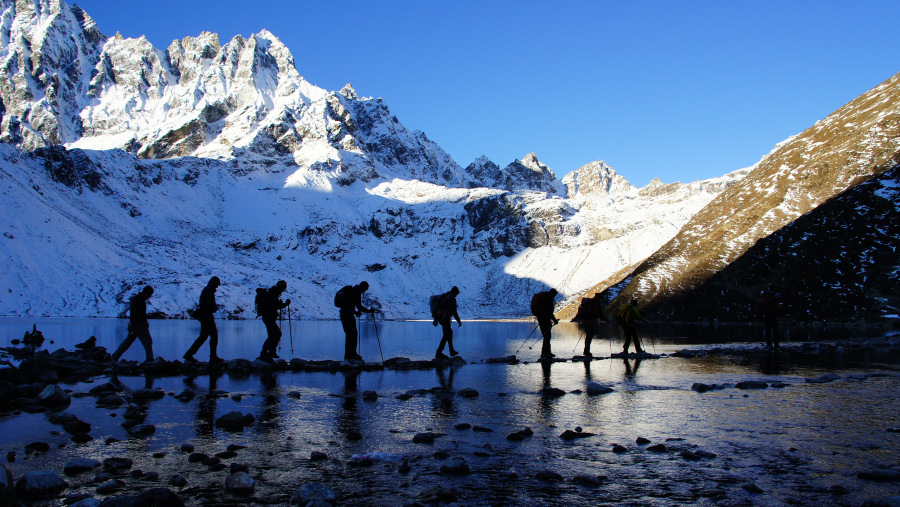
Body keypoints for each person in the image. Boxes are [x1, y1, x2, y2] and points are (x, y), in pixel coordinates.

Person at [184, 276, 222, 363]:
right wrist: (214, 308)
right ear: (214, 283)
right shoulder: (209, 291)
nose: (217, 287)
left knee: (204, 336)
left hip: (204, 316)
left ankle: (189, 354)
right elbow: (207, 305)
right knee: (213, 336)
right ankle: (212, 357)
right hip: (207, 316)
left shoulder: (207, 290)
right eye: (216, 285)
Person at [112, 285, 155, 363]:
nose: (149, 297)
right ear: (145, 293)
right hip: (139, 325)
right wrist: (143, 322)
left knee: (128, 341)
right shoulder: (139, 300)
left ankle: (115, 356)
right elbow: (138, 314)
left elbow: (135, 314)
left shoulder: (137, 299)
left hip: (134, 325)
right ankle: (149, 359)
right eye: (149, 295)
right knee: (148, 341)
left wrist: (132, 325)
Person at [336, 281, 375, 362]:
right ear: (363, 288)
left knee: (349, 335)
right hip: (348, 315)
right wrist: (369, 311)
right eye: (365, 289)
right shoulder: (357, 292)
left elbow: (350, 305)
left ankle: (348, 355)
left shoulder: (352, 290)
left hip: (344, 314)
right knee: (353, 334)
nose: (364, 291)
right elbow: (359, 306)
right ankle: (352, 355)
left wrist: (356, 312)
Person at [259, 280, 291, 361]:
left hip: (268, 317)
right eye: (283, 288)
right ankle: (267, 353)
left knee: (273, 335)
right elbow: (274, 306)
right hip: (268, 317)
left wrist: (281, 304)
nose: (283, 290)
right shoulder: (273, 294)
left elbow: (274, 305)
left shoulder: (273, 293)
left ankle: (268, 353)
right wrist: (285, 304)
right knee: (276, 334)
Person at [433, 286, 462, 359]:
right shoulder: (451, 298)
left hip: (440, 318)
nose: (456, 295)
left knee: (448, 333)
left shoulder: (445, 296)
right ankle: (439, 352)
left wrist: (436, 318)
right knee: (447, 334)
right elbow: (454, 311)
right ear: (454, 292)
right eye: (456, 294)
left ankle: (450, 351)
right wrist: (458, 320)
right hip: (445, 318)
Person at [531, 288, 559, 359]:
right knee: (547, 336)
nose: (554, 296)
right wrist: (554, 320)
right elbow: (550, 312)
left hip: (541, 319)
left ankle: (546, 352)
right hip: (545, 320)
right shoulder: (548, 299)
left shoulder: (544, 298)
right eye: (555, 295)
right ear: (553, 294)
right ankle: (545, 353)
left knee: (546, 336)